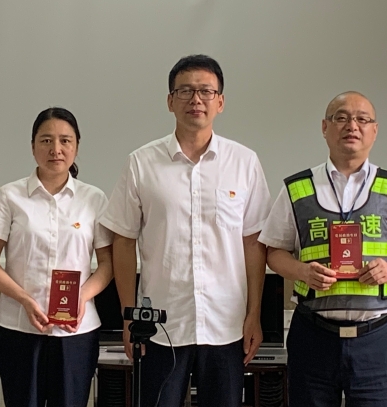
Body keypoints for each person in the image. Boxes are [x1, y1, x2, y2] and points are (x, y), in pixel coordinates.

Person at [100, 54, 272, 407]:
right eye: (186, 91)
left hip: (226, 325)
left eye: (206, 91)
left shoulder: (244, 162)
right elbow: (123, 240)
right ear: (170, 101)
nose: (196, 99)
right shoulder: (141, 163)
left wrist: (254, 313)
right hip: (161, 327)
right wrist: (129, 316)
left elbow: (253, 242)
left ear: (220, 102)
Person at [258, 91, 387, 407]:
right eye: (341, 117)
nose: (352, 126)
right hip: (313, 335)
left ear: (374, 130)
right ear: (324, 127)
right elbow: (274, 252)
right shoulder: (297, 188)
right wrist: (302, 271)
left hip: (377, 339)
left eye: (362, 119)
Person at [0, 107, 113, 407]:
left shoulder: (94, 198)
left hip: (77, 331)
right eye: (46, 140)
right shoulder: (10, 196)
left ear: (76, 146)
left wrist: (82, 297)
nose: (56, 149)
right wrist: (25, 300)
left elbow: (107, 264)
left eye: (65, 140)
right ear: (32, 146)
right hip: (18, 328)